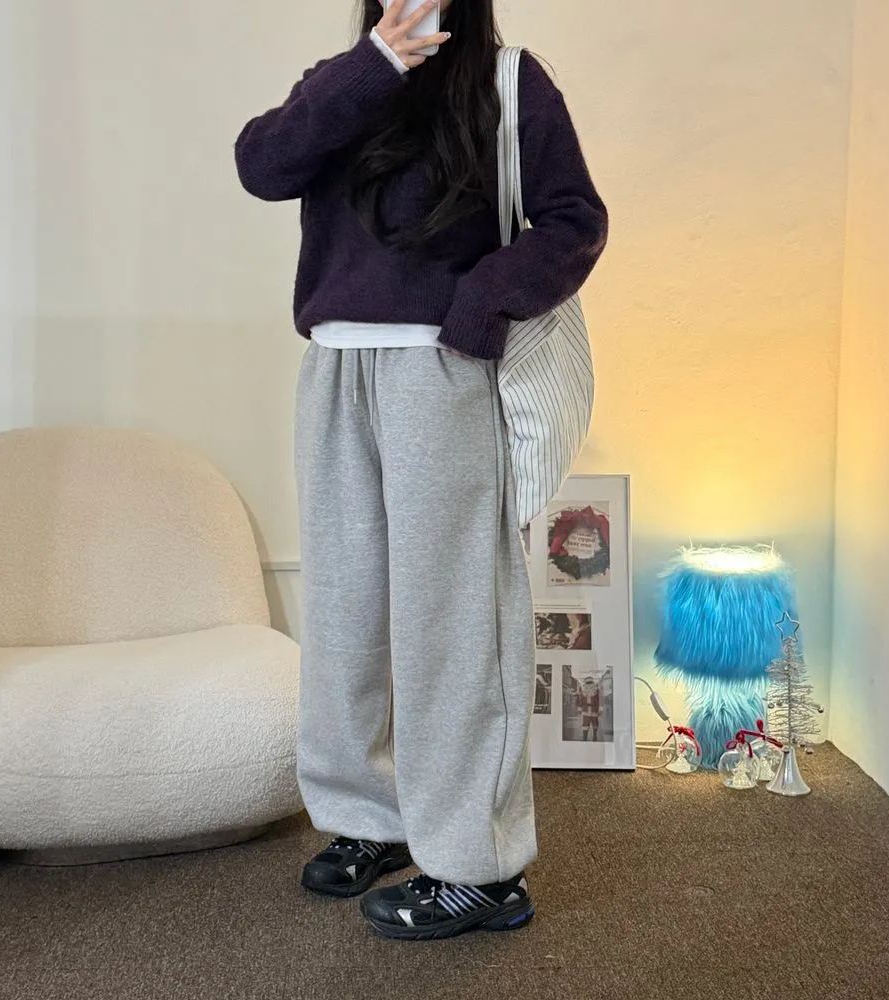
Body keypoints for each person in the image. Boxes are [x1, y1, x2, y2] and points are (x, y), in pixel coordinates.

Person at [235, 0, 607, 941]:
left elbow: (575, 219)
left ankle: (481, 868)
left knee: (453, 617)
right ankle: (371, 816)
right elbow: (262, 165)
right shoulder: (344, 82)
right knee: (346, 610)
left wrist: (482, 303)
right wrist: (372, 67)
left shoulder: (509, 83)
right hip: (334, 367)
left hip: (440, 370)